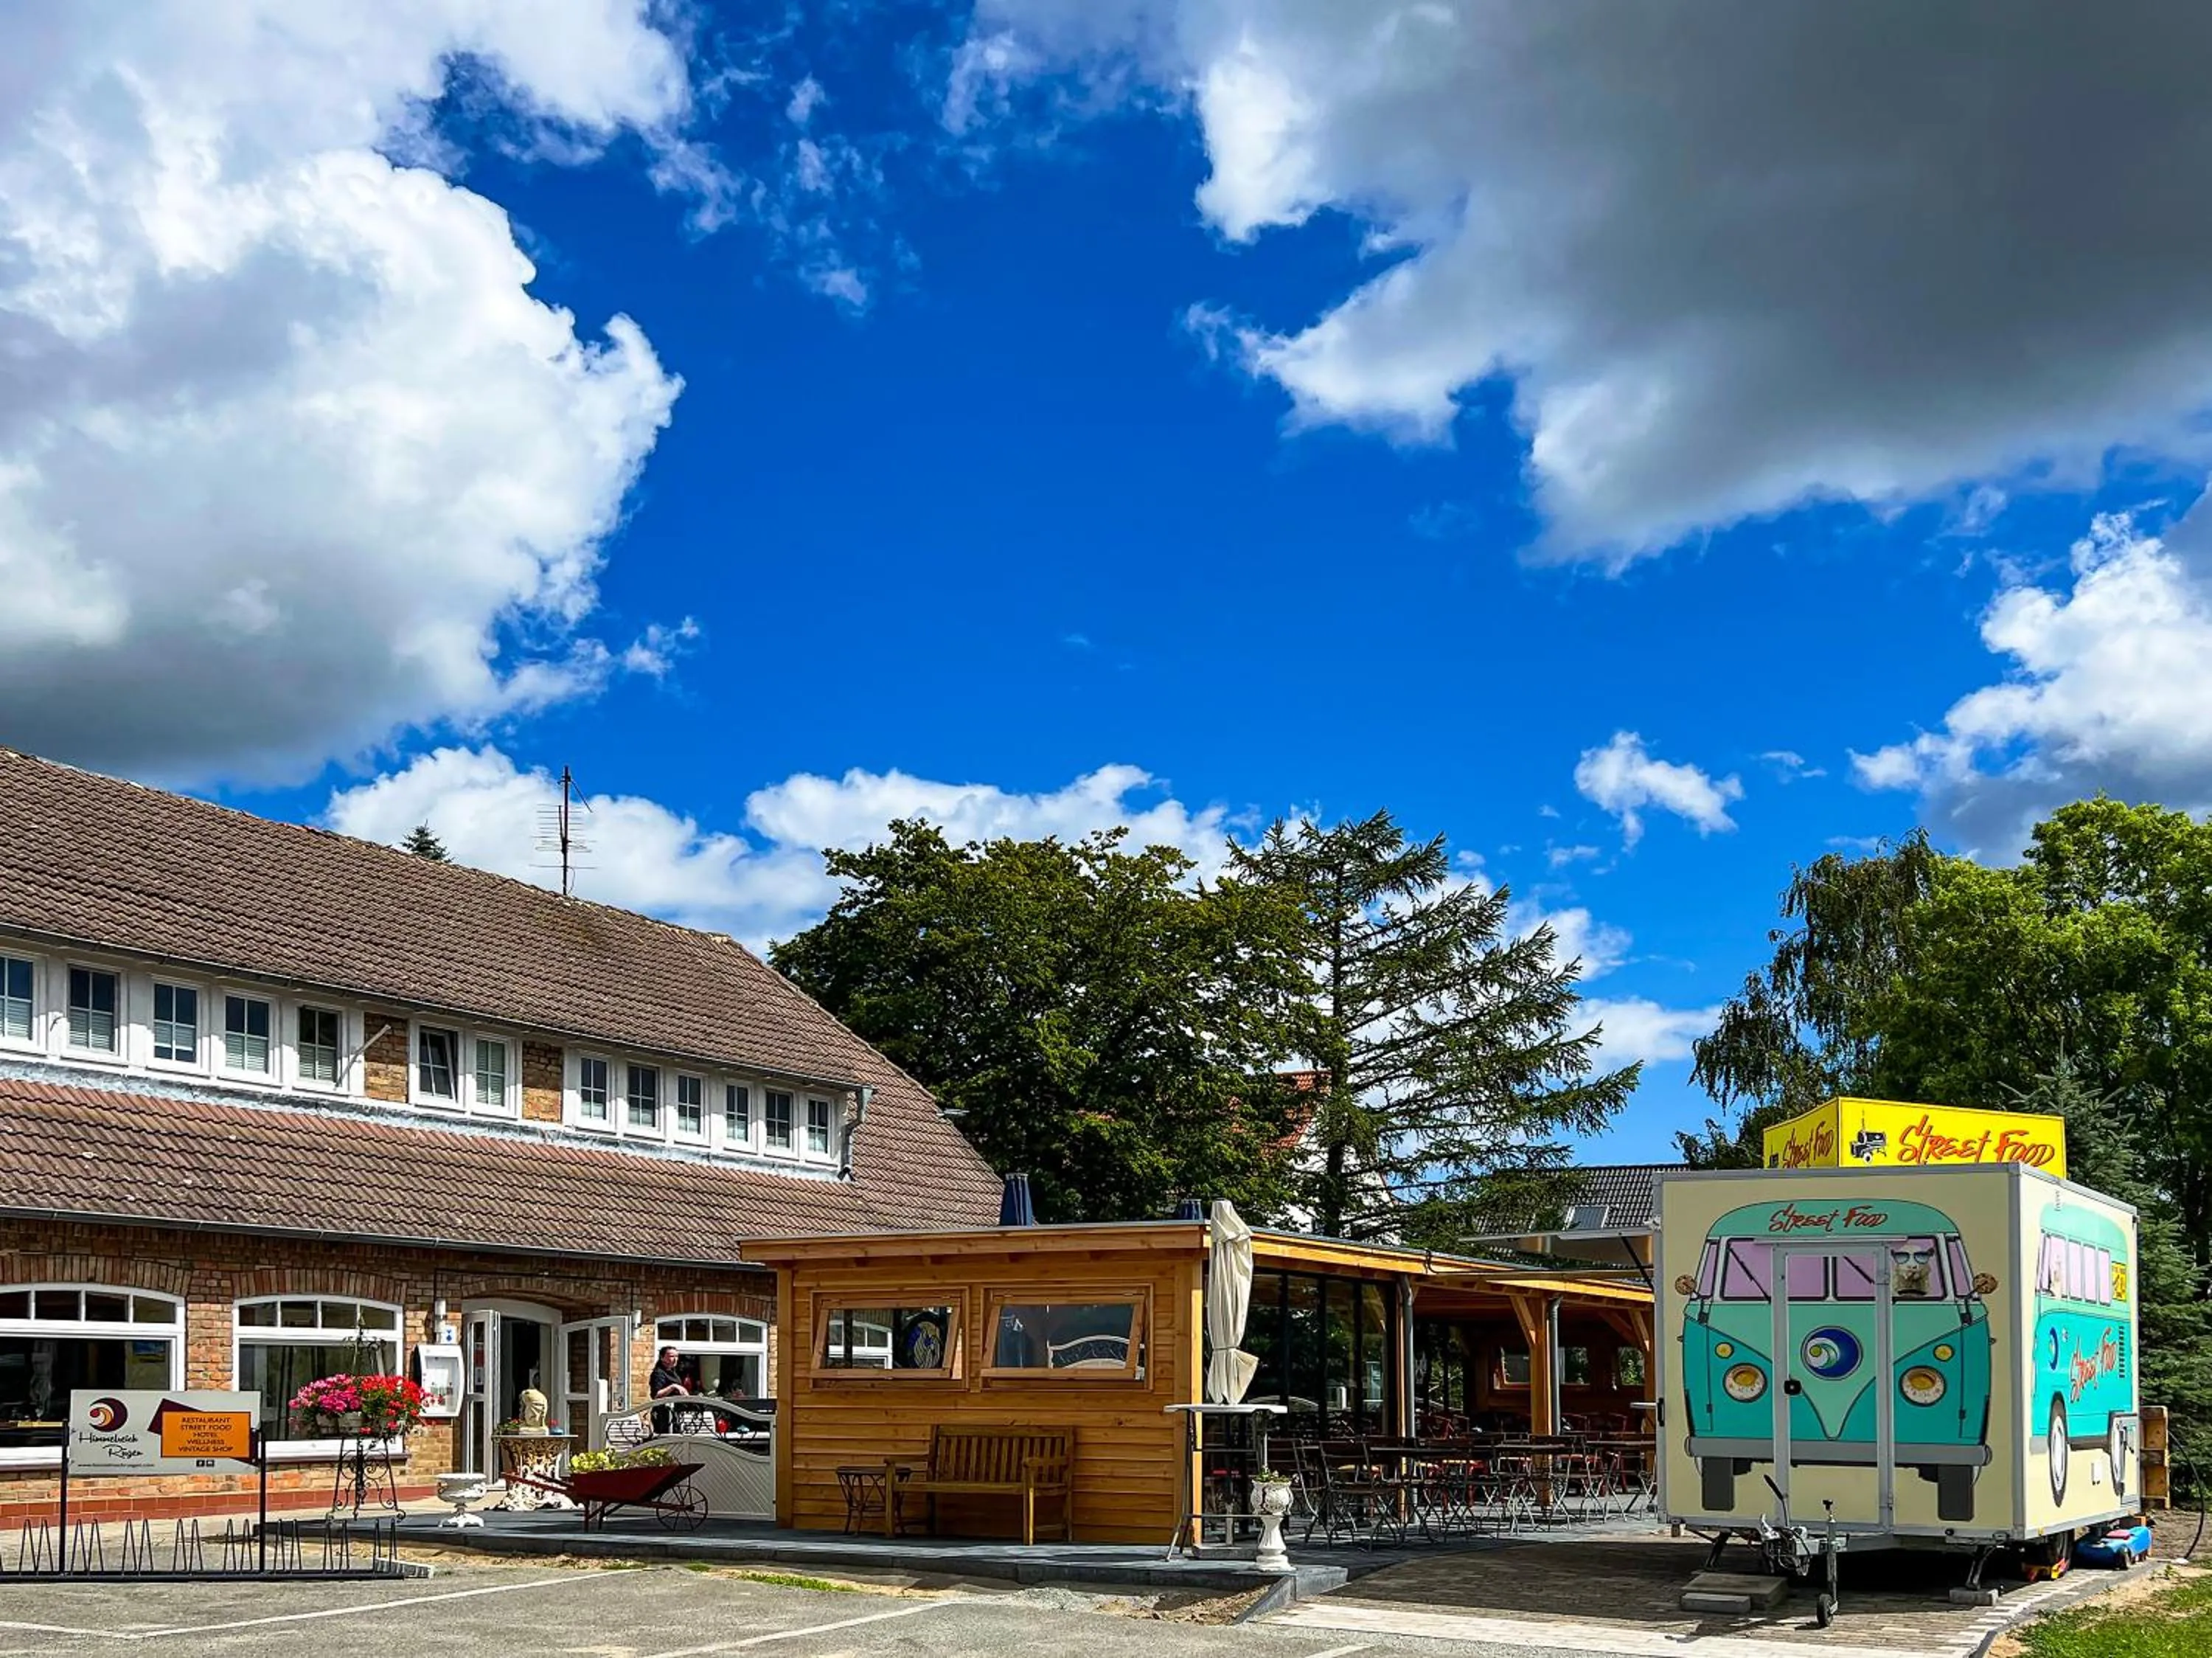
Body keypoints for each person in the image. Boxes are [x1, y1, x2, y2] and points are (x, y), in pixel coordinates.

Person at [649, 1345, 689, 1433]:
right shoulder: (658, 1373)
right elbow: (656, 1395)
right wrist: (673, 1387)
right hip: (663, 1414)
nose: (675, 1359)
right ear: (662, 1358)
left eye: (677, 1356)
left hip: (676, 1412)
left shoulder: (673, 1372)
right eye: (671, 1356)